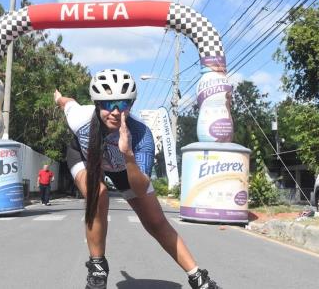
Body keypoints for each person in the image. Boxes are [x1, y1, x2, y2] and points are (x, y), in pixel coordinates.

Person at [54, 69, 220, 289]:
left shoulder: (142, 135)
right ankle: (97, 269)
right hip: (86, 159)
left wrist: (128, 156)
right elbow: (68, 102)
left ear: (130, 106)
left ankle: (199, 278)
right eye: (107, 104)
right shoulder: (80, 119)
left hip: (125, 166)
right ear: (96, 104)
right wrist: (57, 95)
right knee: (99, 194)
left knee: (156, 221)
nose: (114, 111)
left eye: (122, 104)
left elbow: (140, 189)